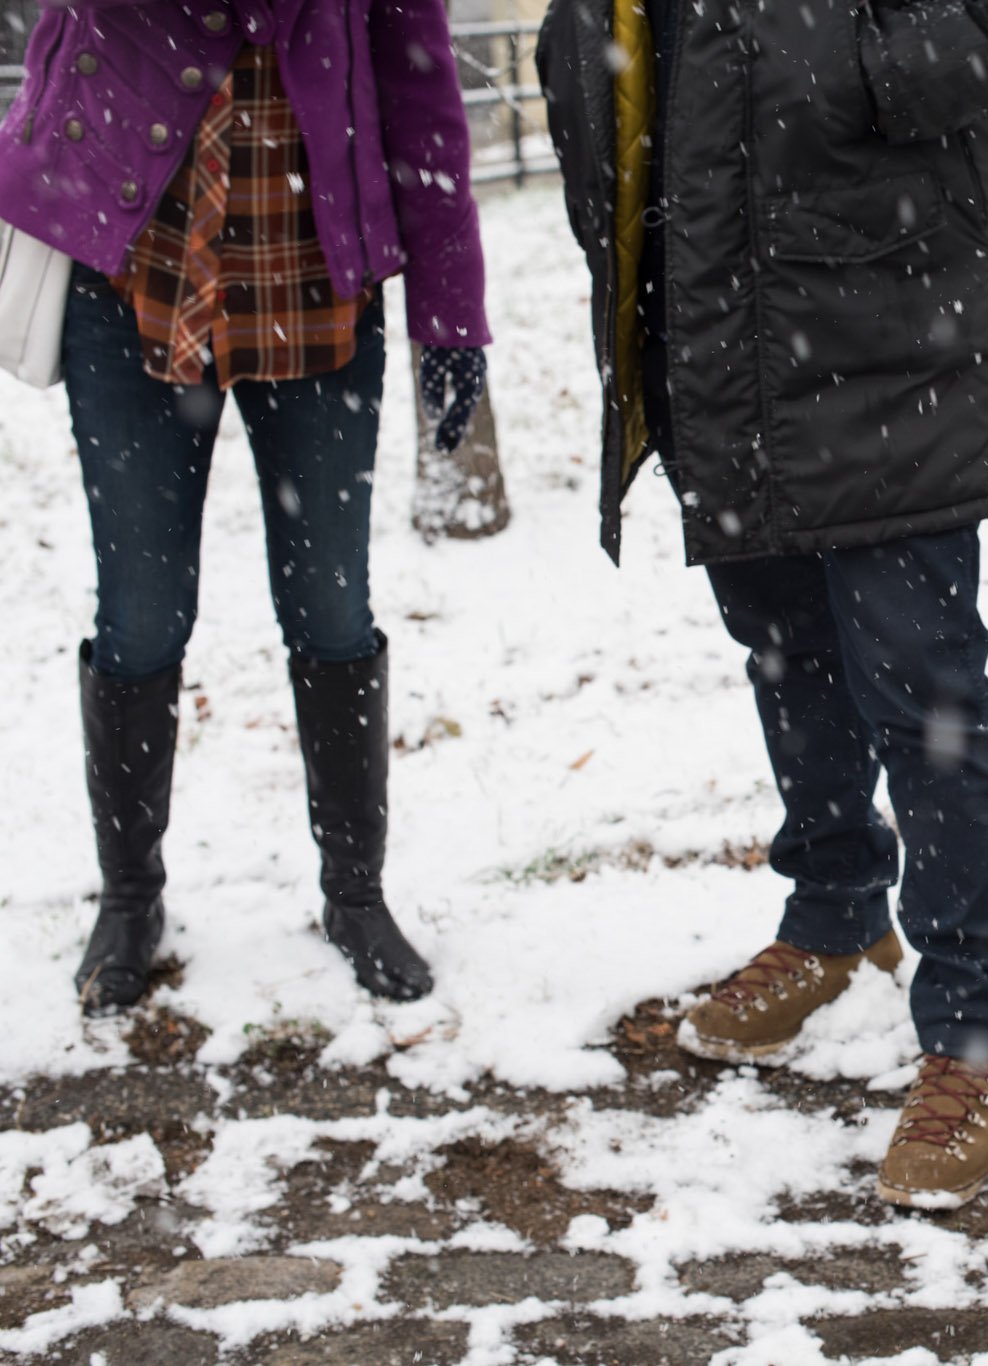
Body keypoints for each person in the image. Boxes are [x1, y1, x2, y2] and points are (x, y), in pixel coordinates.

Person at [536, 0, 988, 1206]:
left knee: (920, 682)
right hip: (708, 301)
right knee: (782, 647)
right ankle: (833, 911)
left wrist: (877, 71)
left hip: (882, 305)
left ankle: (975, 1024)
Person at [0, 0, 491, 1013]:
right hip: (133, 276)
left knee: (331, 608)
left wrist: (450, 312)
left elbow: (420, 84)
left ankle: (354, 895)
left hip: (316, 276)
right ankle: (129, 899)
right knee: (140, 613)